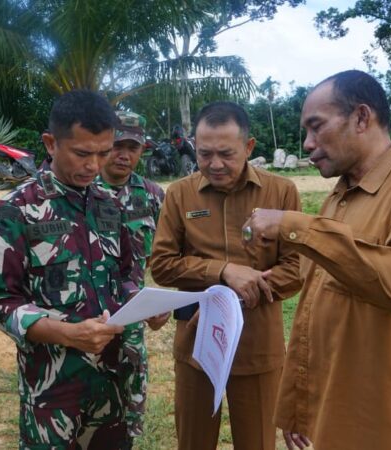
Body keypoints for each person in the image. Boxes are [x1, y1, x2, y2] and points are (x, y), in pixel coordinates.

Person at [243, 70, 391, 450]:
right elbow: (316, 304)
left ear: (362, 117)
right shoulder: (340, 196)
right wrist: (300, 408)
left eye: (316, 127)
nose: (308, 143)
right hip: (337, 413)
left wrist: (295, 225)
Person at [0, 90, 140, 449]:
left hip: (113, 382)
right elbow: (0, 302)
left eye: (104, 153)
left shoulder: (110, 205)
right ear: (51, 144)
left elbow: (127, 274)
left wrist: (141, 303)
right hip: (53, 390)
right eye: (83, 153)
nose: (94, 166)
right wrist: (68, 334)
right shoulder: (16, 211)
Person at [150, 101, 302, 450]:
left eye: (226, 154)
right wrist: (222, 272)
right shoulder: (180, 194)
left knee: (258, 442)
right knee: (194, 441)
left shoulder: (281, 193)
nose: (215, 164)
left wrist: (230, 297)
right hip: (196, 346)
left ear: (248, 147)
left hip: (257, 346)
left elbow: (296, 270)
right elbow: (162, 264)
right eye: (204, 154)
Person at [94, 111, 167, 440]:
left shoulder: (152, 196)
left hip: (133, 309)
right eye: (117, 145)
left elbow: (165, 251)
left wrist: (157, 301)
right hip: (87, 309)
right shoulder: (82, 188)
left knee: (131, 384)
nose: (124, 154)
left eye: (132, 147)